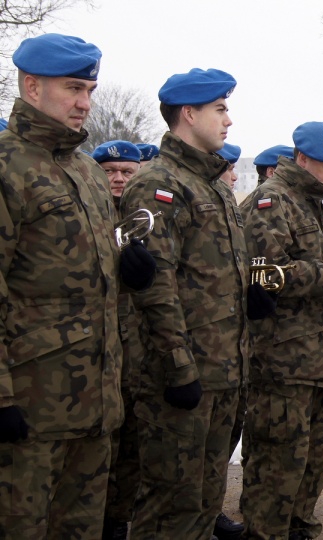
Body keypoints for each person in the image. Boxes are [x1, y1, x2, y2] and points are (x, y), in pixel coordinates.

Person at [0, 33, 154, 539]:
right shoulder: (7, 167)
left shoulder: (86, 171)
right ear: (31, 86)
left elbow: (83, 274)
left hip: (94, 403)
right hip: (31, 404)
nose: (84, 102)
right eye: (72, 88)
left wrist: (126, 269)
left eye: (89, 89)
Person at [120, 67, 251, 539]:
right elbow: (156, 287)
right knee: (169, 506)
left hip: (222, 372)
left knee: (203, 503)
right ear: (189, 113)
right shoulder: (159, 185)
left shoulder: (213, 184)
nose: (228, 120)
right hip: (181, 376)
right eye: (220, 109)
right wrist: (178, 367)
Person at [239, 121, 323, 539]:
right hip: (283, 358)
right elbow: (266, 273)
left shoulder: (322, 203)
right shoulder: (272, 201)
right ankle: (265, 532)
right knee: (277, 460)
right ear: (301, 158)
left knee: (316, 459)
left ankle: (300, 525)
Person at [92, 140, 145, 539]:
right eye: (110, 171)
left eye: (126, 172)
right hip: (96, 353)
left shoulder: (144, 217)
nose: (118, 178)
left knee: (132, 445)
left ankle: (118, 522)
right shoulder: (91, 213)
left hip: (138, 349)